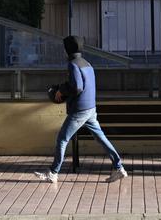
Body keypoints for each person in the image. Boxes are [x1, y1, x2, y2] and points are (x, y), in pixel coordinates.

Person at [35, 36, 127, 184]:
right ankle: (119, 167)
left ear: (67, 49)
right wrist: (65, 86)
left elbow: (77, 87)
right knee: (101, 138)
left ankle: (53, 172)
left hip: (79, 110)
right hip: (91, 108)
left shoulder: (73, 64)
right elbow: (82, 83)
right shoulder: (87, 63)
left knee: (62, 139)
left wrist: (61, 90)